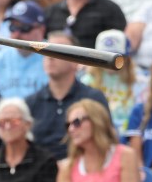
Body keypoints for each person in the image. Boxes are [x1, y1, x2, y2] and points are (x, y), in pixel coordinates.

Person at [40, 98, 141, 182]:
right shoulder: (67, 165)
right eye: (68, 125)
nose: (71, 129)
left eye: (77, 122)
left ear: (96, 121)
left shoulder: (125, 155)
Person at [25, 30, 111, 159]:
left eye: (57, 51)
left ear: (75, 61)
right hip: (40, 174)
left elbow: (106, 141)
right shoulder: (30, 103)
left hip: (82, 170)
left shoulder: (93, 98)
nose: (49, 56)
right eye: (45, 51)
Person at [82, 28, 142, 132]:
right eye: (104, 56)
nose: (109, 60)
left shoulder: (138, 82)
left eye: (115, 56)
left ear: (126, 57)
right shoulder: (87, 81)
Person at [0, 0, 50, 100]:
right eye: (13, 27)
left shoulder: (53, 57)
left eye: (24, 28)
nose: (17, 34)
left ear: (41, 30)